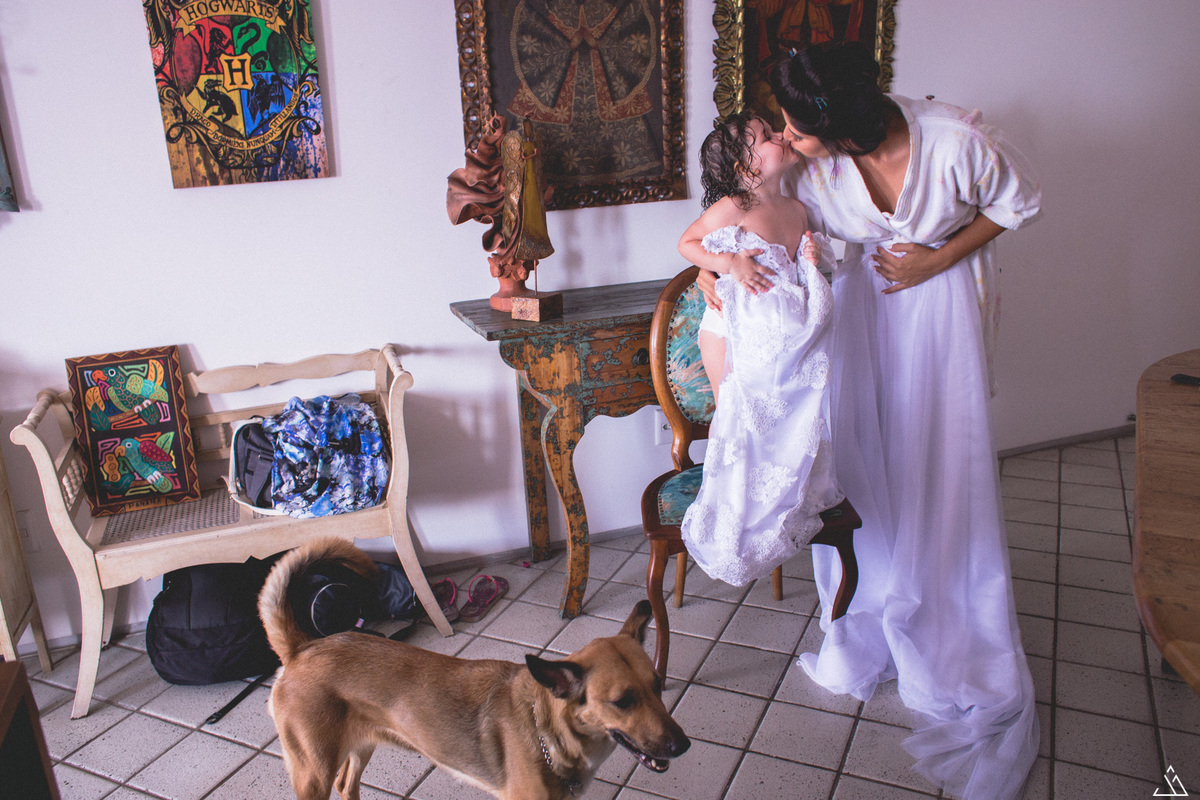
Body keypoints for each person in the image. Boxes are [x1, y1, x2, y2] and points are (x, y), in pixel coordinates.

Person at [698, 43, 1042, 800]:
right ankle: (869, 616)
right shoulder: (814, 172)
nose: (785, 137)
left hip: (937, 314)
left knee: (938, 462)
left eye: (795, 126)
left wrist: (937, 258)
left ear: (841, 125)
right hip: (855, 321)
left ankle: (953, 626)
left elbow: (1014, 205)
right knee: (864, 464)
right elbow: (747, 225)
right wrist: (710, 266)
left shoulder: (954, 141)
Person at [675, 111, 844, 587]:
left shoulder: (796, 208)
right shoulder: (735, 206)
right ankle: (736, 512)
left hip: (782, 340)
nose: (777, 136)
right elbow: (688, 242)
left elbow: (798, 272)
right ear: (746, 170)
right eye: (764, 138)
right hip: (733, 334)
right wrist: (726, 264)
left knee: (788, 416)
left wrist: (811, 261)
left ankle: (782, 498)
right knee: (743, 416)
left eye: (772, 129)